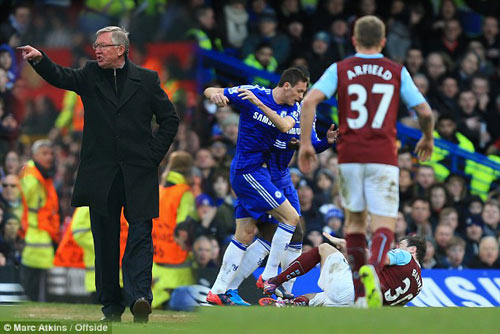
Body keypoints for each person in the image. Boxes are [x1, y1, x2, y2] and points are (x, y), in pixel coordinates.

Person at [18, 26, 179, 323]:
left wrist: (152, 157)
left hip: (138, 174)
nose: (97, 50)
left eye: (103, 46)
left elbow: (169, 119)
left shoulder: (146, 79)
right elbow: (61, 77)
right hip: (101, 176)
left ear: (121, 49)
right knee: (104, 243)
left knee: (141, 236)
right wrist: (40, 60)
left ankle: (140, 297)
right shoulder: (90, 74)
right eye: (95, 45)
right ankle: (112, 307)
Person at [297, 15, 434, 308]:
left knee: (355, 224)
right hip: (383, 156)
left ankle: (361, 291)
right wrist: (427, 137)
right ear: (384, 41)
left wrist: (307, 144)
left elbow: (309, 101)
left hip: (349, 157)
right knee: (384, 224)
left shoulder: (341, 68)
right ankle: (370, 273)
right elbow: (424, 111)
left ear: (354, 40)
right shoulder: (396, 71)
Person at [203, 67, 308, 305]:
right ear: (286, 85)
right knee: (290, 219)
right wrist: (215, 96)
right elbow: (210, 89)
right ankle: (270, 276)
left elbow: (283, 125)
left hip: (259, 173)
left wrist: (258, 105)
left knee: (245, 234)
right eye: (299, 91)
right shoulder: (253, 92)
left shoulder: (292, 107)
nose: (301, 96)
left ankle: (217, 291)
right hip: (248, 172)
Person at [260, 233, 426, 307]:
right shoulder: (418, 287)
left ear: (412, 250)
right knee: (317, 299)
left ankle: (274, 282)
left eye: (401, 245)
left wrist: (346, 245)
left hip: (356, 287)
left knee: (324, 248)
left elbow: (373, 258)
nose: (397, 247)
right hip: (357, 305)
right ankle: (287, 305)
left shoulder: (406, 256)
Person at [19, 140, 60, 302]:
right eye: (44, 153)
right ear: (34, 155)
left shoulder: (42, 175)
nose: (49, 157)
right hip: (32, 239)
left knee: (36, 293)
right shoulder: (31, 178)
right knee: (32, 293)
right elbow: (19, 206)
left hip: (41, 237)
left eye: (51, 153)